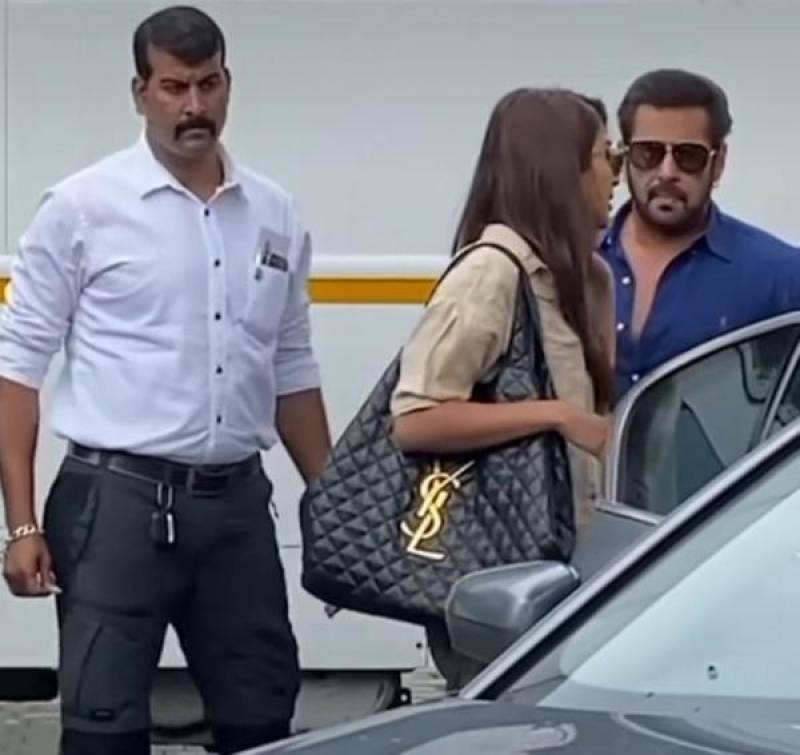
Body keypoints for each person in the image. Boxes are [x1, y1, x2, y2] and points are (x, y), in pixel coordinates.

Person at [0, 6, 330, 755]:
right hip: (115, 504)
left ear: (228, 84)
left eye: (209, 85)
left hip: (235, 507)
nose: (194, 107)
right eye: (175, 88)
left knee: (262, 721)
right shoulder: (82, 208)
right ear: (140, 91)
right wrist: (20, 524)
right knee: (103, 728)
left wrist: (330, 498)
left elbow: (290, 364)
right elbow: (18, 368)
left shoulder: (273, 213)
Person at [389, 88, 618, 690]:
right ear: (560, 169)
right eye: (604, 155)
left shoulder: (588, 277)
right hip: (500, 578)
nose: (615, 175)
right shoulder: (491, 271)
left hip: (576, 567)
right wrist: (556, 415)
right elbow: (416, 418)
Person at [602, 68, 800, 398]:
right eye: (648, 153)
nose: (667, 172)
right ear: (624, 159)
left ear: (718, 162)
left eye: (688, 156)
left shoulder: (781, 279)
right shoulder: (570, 264)